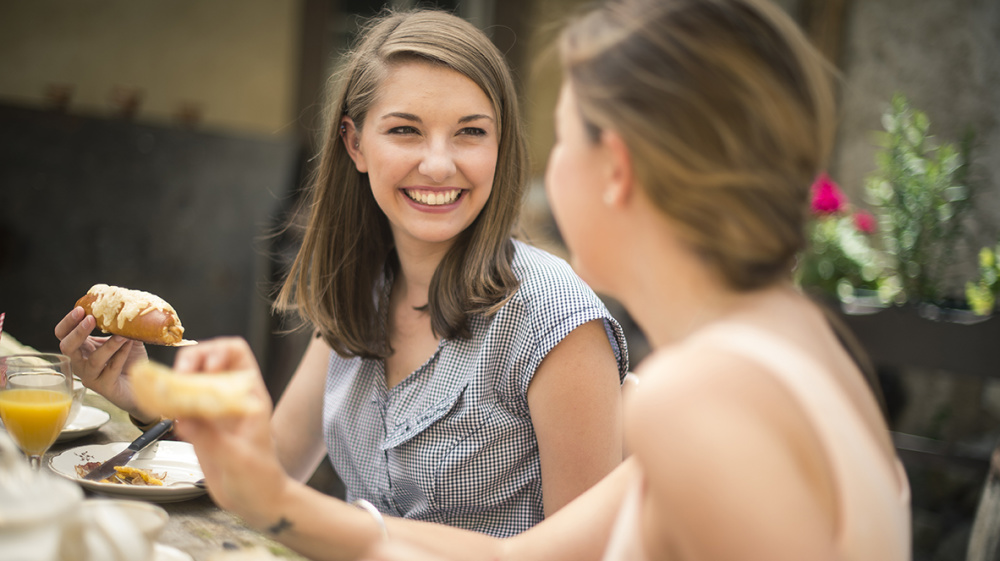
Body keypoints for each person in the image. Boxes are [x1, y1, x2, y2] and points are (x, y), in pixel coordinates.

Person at [141, 0, 912, 559]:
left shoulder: (698, 394)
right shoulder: (800, 348)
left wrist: (280, 505)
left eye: (562, 138)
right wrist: (262, 481)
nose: (539, 170)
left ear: (618, 171)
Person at [54, 8, 629, 539]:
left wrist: (345, 527)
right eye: (405, 130)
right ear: (354, 144)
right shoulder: (365, 283)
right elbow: (274, 463)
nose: (438, 162)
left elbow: (586, 551)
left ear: (500, 146)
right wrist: (146, 395)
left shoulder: (556, 319)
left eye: (470, 132)